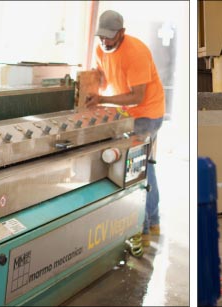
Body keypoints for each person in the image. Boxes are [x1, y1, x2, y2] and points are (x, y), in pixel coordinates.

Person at [86, 10, 166, 238]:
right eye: (102, 37)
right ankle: (152, 221)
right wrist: (91, 83)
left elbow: (136, 97)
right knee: (139, 165)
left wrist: (102, 100)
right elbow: (103, 77)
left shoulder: (136, 52)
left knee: (140, 167)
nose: (105, 41)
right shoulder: (101, 49)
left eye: (110, 37)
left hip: (148, 114)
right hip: (127, 113)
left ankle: (144, 225)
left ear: (122, 32)